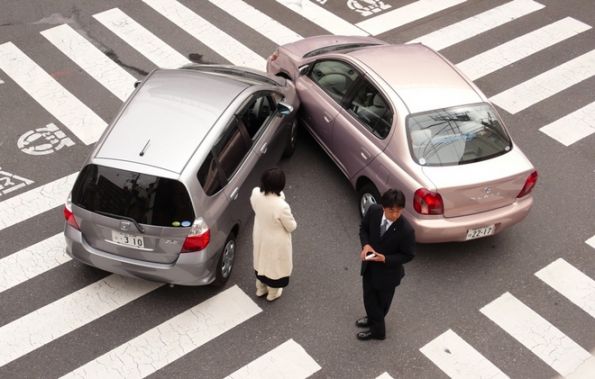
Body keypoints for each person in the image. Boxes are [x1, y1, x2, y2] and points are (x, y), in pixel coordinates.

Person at [356, 189, 415, 340]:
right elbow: (363, 229)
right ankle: (372, 319)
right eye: (391, 210)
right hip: (369, 267)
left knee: (381, 305)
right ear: (383, 207)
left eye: (399, 211)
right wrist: (366, 245)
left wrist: (385, 259)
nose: (395, 215)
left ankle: (378, 332)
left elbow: (408, 255)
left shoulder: (406, 230)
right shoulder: (373, 211)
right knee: (368, 298)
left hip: (388, 275)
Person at [250, 168, 297, 302]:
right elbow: (291, 226)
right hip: (275, 241)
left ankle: (260, 288)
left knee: (260, 261)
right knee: (274, 266)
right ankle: (272, 293)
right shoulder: (281, 206)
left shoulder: (255, 194)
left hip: (260, 234)